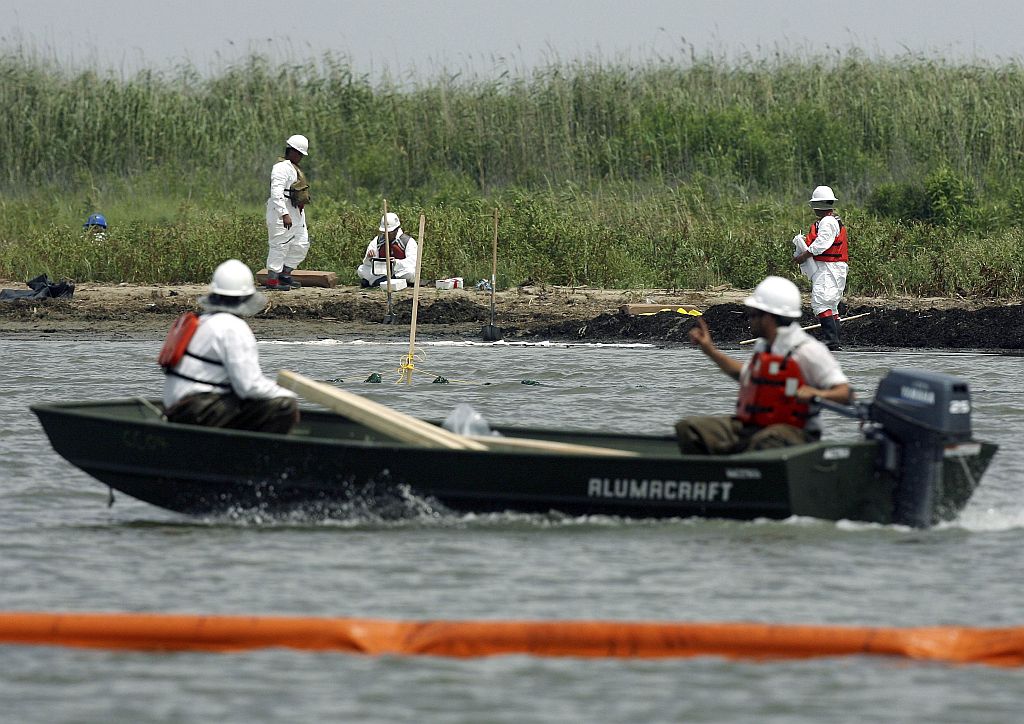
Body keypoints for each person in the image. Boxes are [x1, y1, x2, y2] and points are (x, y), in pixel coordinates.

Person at [675, 275, 852, 455]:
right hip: (755, 426)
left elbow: (846, 394)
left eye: (753, 315)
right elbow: (745, 375)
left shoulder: (808, 351)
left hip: (795, 433)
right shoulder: (764, 346)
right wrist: (710, 351)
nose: (749, 320)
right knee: (689, 429)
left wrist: (816, 393)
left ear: (769, 317)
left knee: (766, 441)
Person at [160, 259, 299, 434]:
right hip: (197, 410)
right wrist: (286, 393)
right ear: (246, 297)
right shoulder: (234, 328)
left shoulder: (201, 321)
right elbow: (249, 386)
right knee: (284, 405)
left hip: (173, 405)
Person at [792, 185, 848, 350]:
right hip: (833, 268)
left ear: (818, 204)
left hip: (829, 268)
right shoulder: (833, 221)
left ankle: (831, 341)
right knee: (831, 305)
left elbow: (822, 244)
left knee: (821, 303)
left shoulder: (827, 222)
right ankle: (834, 342)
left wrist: (803, 256)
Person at [264, 134, 311, 291]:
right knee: (279, 245)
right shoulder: (281, 168)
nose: (301, 158)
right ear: (292, 151)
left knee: (301, 243)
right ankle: (272, 280)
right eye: (299, 154)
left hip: (296, 210)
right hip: (282, 209)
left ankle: (285, 274)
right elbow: (276, 191)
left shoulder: (294, 168)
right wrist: (284, 214)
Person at [356, 212, 419, 288]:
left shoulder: (408, 241)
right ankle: (385, 281)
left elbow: (413, 262)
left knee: (412, 273)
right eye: (384, 232)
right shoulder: (377, 240)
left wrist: (396, 262)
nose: (386, 234)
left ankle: (378, 282)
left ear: (396, 229)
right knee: (361, 269)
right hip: (381, 271)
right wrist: (369, 258)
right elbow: (367, 263)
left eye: (389, 232)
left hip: (398, 271)